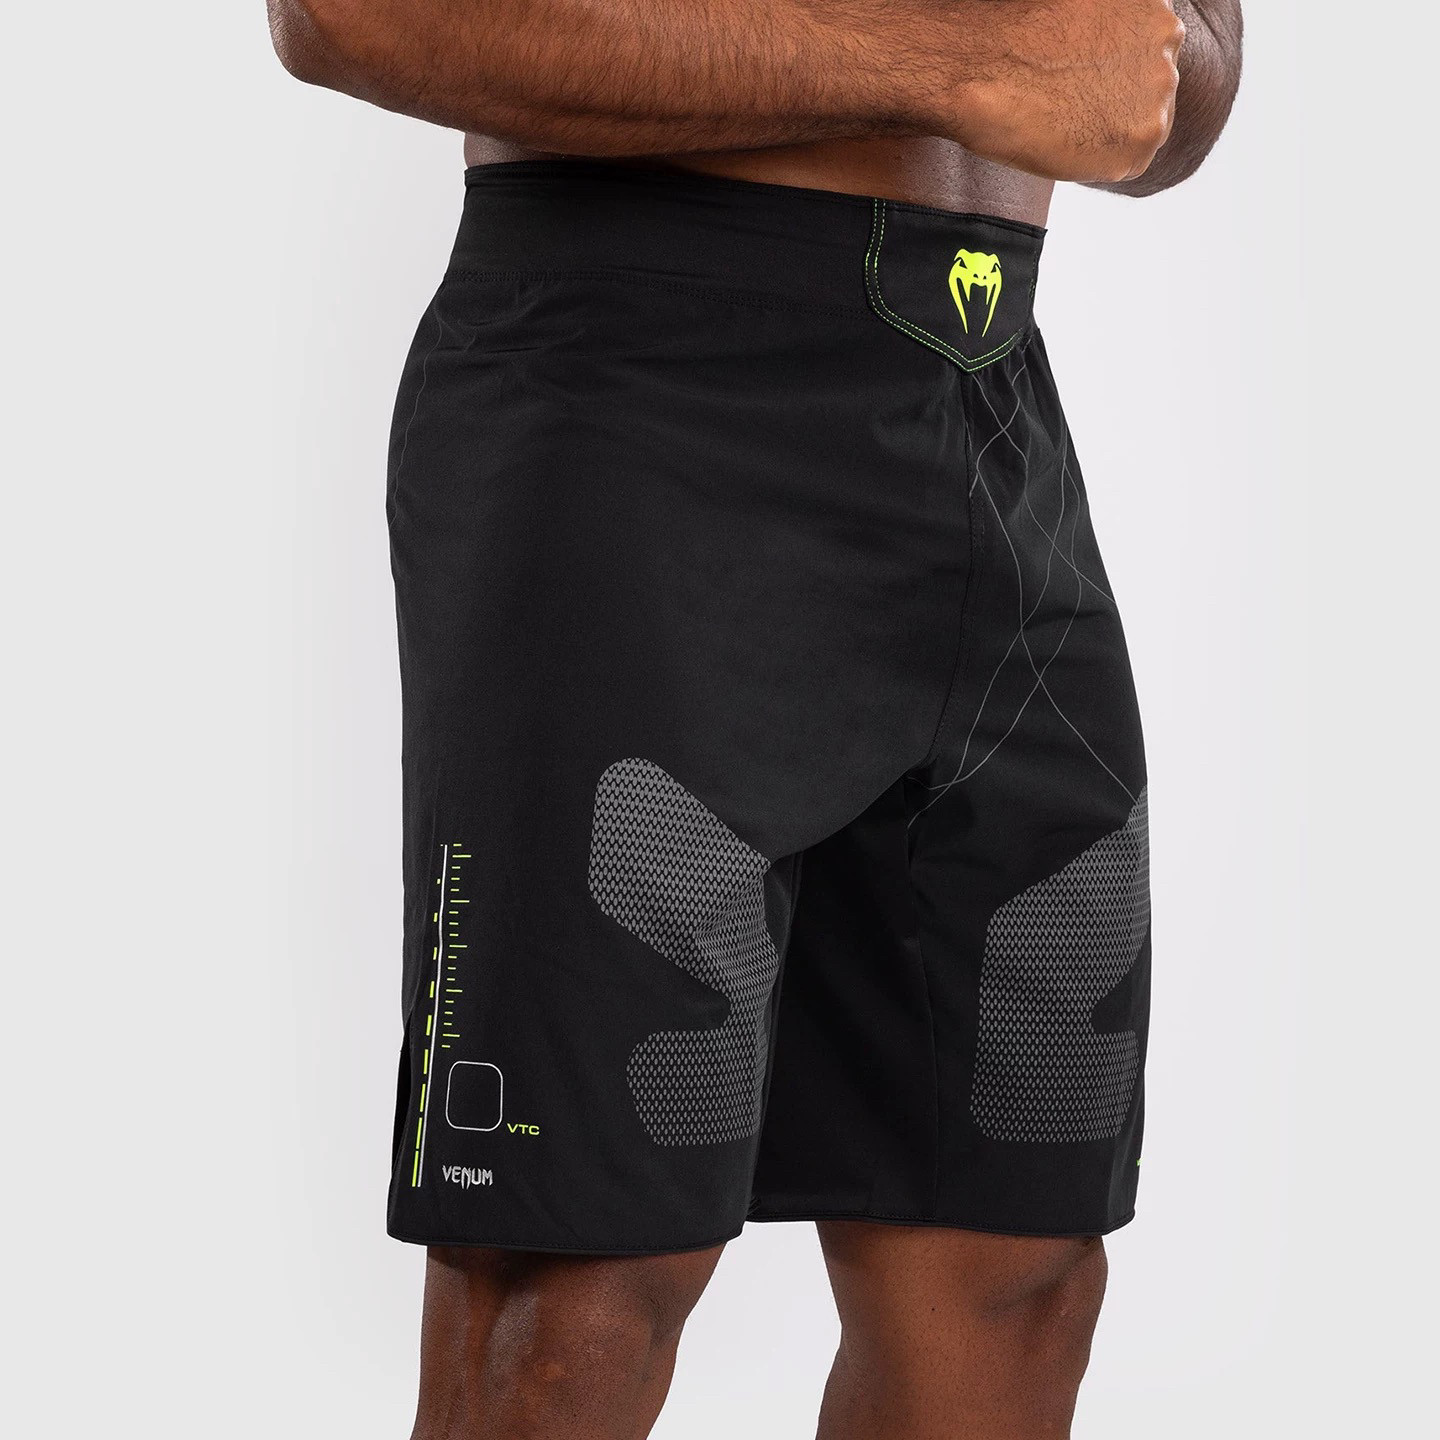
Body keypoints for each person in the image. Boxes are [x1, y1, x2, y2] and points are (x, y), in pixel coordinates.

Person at [267, 3, 1242, 1436]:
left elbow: (1172, 71)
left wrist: (1142, 71)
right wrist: (959, 63)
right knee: (575, 1295)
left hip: (985, 406)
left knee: (1015, 1259)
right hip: (641, 388)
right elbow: (352, 15)